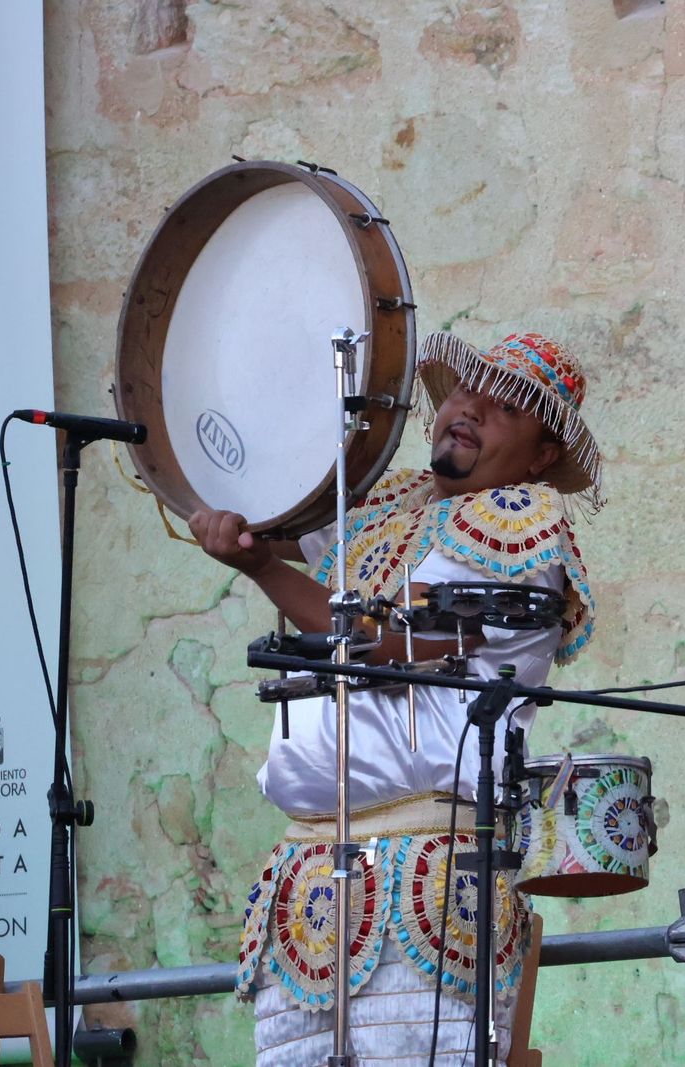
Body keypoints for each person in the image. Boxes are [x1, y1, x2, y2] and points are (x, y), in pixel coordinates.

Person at [192, 331, 601, 1065]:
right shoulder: (387, 500)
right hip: (308, 872)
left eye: (506, 407)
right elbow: (273, 515)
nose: (471, 409)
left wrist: (258, 568)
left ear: (542, 455)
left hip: (430, 872)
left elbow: (384, 643)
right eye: (465, 390)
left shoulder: (524, 526)